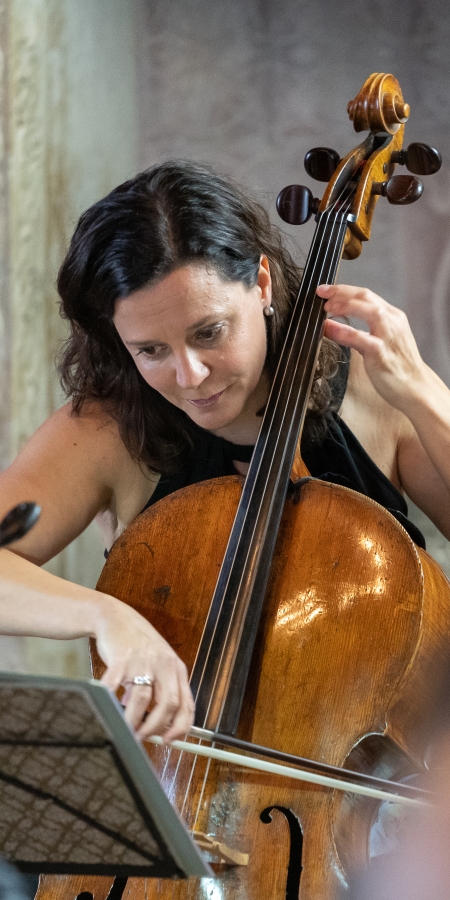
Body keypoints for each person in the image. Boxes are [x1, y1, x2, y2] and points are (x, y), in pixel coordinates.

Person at [1, 159, 449, 742]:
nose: (190, 376)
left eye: (209, 332)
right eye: (151, 350)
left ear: (261, 284)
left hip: (385, 805)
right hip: (188, 792)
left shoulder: (370, 387)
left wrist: (421, 391)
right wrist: (102, 614)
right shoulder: (111, 428)